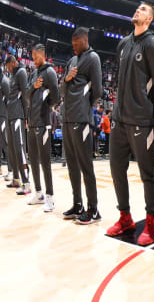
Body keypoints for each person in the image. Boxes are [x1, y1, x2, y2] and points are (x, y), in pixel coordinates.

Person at [106, 2, 154, 246]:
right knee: (116, 170)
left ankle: (152, 223)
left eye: (143, 10)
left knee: (147, 173)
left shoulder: (151, 44)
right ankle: (125, 217)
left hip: (141, 121)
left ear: (149, 19)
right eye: (138, 8)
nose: (138, 11)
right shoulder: (124, 43)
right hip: (119, 120)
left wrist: (145, 108)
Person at [60, 27, 103, 223]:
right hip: (67, 118)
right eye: (73, 45)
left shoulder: (93, 58)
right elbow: (62, 89)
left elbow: (98, 91)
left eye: (77, 44)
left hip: (81, 118)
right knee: (72, 165)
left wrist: (83, 106)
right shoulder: (71, 60)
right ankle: (78, 205)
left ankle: (93, 209)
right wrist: (67, 78)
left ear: (84, 40)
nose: (74, 48)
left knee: (85, 165)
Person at [25, 44, 60, 212]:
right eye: (32, 56)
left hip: (43, 122)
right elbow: (26, 94)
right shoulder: (33, 74)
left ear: (43, 55)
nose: (33, 59)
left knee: (45, 162)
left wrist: (46, 108)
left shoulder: (50, 72)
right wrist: (34, 87)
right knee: (32, 159)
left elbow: (56, 97)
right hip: (31, 123)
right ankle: (38, 193)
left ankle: (50, 198)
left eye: (35, 56)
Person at [4, 55, 30, 194]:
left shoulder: (21, 72)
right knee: (13, 150)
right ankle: (16, 179)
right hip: (10, 116)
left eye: (9, 66)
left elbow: (25, 96)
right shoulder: (13, 75)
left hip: (18, 116)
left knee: (19, 150)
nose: (8, 68)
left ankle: (26, 184)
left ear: (13, 63)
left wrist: (26, 117)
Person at [0, 66, 9, 181]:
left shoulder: (5, 82)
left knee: (6, 143)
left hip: (3, 116)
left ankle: (11, 170)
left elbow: (9, 100)